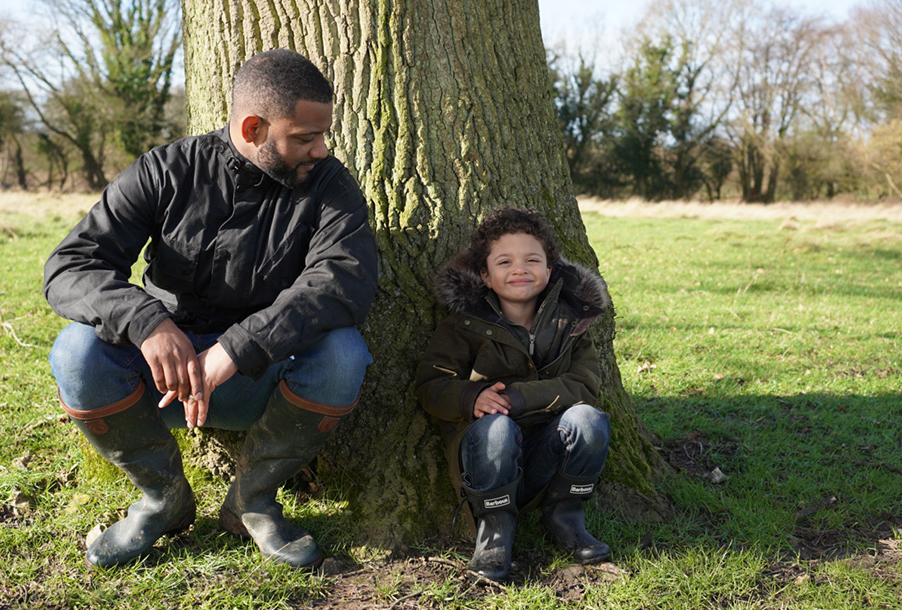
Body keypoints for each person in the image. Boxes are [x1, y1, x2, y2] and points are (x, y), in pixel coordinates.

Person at [43, 49, 377, 570]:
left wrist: (239, 347)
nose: (322, 149)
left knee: (342, 353)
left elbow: (343, 282)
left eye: (323, 134)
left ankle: (253, 503)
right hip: (161, 385)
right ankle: (162, 499)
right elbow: (70, 265)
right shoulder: (165, 169)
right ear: (252, 126)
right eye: (305, 138)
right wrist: (146, 321)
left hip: (261, 379)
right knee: (75, 352)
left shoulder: (331, 184)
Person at [414, 208, 612, 582]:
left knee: (589, 419)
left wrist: (520, 398)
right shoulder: (463, 325)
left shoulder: (570, 323)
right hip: (488, 455)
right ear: (485, 277)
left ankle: (565, 517)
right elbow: (431, 384)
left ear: (550, 271)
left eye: (532, 260)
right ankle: (494, 532)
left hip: (548, 453)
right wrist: (470, 397)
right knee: (497, 428)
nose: (519, 268)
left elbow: (584, 385)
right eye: (505, 261)